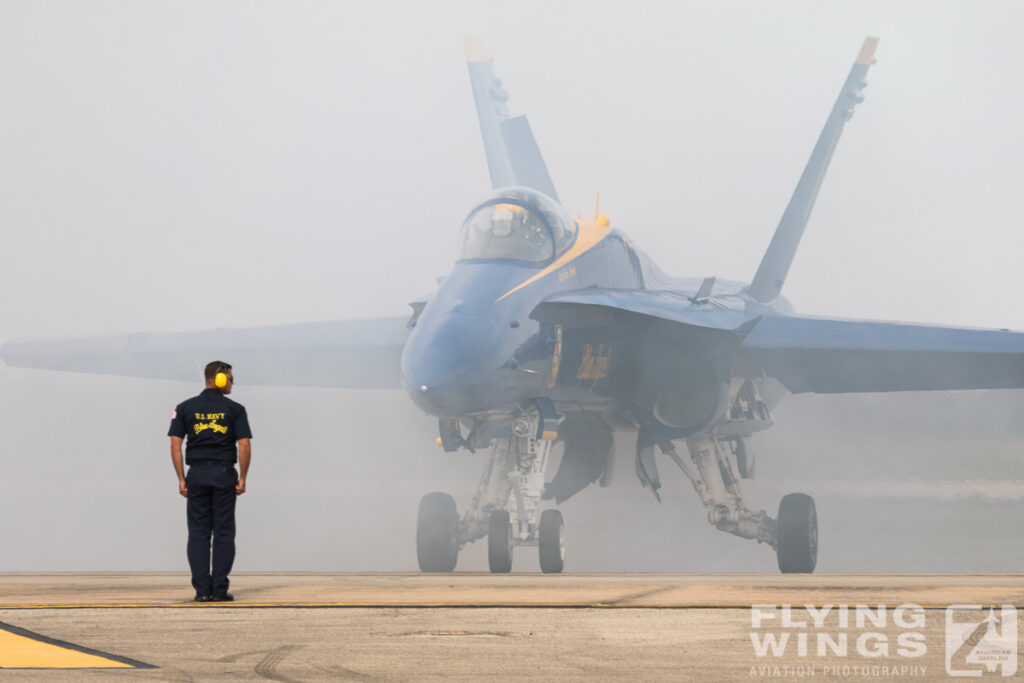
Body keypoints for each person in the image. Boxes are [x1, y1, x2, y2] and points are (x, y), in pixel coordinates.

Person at [168, 361, 252, 602]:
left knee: (198, 533)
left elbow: (175, 444)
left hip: (196, 473)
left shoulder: (184, 407)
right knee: (224, 532)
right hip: (224, 473)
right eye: (231, 379)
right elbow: (244, 444)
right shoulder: (235, 409)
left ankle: (202, 591)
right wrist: (243, 477)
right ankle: (220, 589)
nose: (233, 383)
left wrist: (181, 478)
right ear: (220, 379)